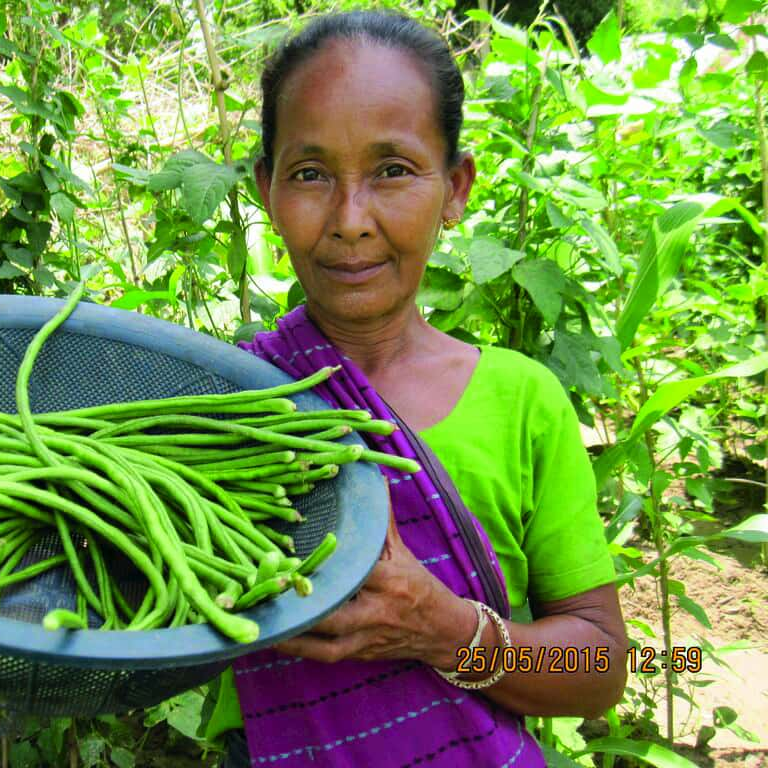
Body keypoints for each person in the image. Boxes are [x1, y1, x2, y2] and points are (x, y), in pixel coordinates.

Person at [202, 10, 629, 767]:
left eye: (393, 170)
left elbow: (600, 668)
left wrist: (445, 631)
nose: (350, 220)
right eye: (309, 174)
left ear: (455, 186)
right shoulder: (228, 400)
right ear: (267, 189)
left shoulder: (521, 401)